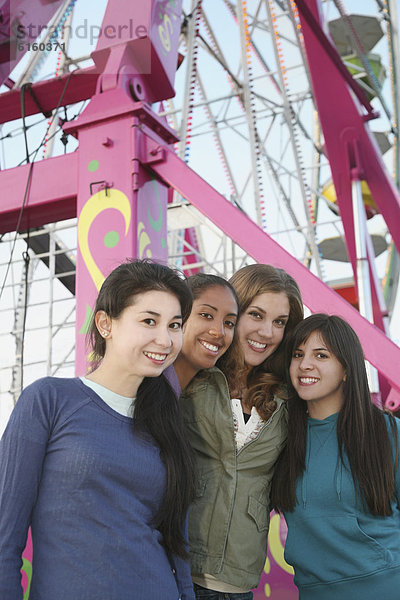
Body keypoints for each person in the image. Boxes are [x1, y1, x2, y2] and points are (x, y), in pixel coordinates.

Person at [0, 260, 196, 600]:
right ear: (106, 324)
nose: (165, 339)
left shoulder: (168, 423)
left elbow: (176, 543)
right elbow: (5, 537)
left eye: (174, 325)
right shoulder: (49, 401)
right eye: (149, 321)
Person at [178, 264, 304, 599]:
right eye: (256, 315)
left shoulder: (287, 399)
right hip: (177, 569)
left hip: (239, 581)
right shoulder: (193, 374)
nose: (267, 332)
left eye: (279, 322)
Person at [271, 313, 400, 600]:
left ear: (346, 369)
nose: (305, 364)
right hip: (313, 591)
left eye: (321, 355)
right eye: (298, 354)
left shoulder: (388, 432)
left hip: (386, 587)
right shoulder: (281, 437)